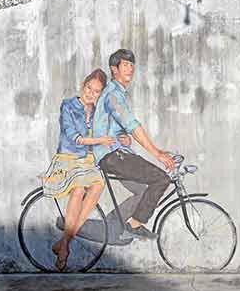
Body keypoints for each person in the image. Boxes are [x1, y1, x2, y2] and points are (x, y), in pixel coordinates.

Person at [41, 68, 131, 271]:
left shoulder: (99, 112)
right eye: (89, 88)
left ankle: (64, 244)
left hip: (88, 161)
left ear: (101, 94)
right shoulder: (68, 106)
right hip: (68, 158)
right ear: (83, 86)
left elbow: (114, 134)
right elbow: (75, 138)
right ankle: (65, 245)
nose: (91, 93)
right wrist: (102, 139)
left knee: (98, 185)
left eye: (97, 91)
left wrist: (122, 138)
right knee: (79, 190)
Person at [93, 49, 176, 240]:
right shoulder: (113, 95)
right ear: (114, 69)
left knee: (143, 191)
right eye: (125, 65)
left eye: (132, 65)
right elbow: (132, 125)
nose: (130, 69)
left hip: (117, 153)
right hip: (112, 156)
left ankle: (112, 225)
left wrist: (126, 138)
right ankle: (135, 224)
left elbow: (120, 129)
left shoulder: (117, 94)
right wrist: (157, 153)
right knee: (161, 179)